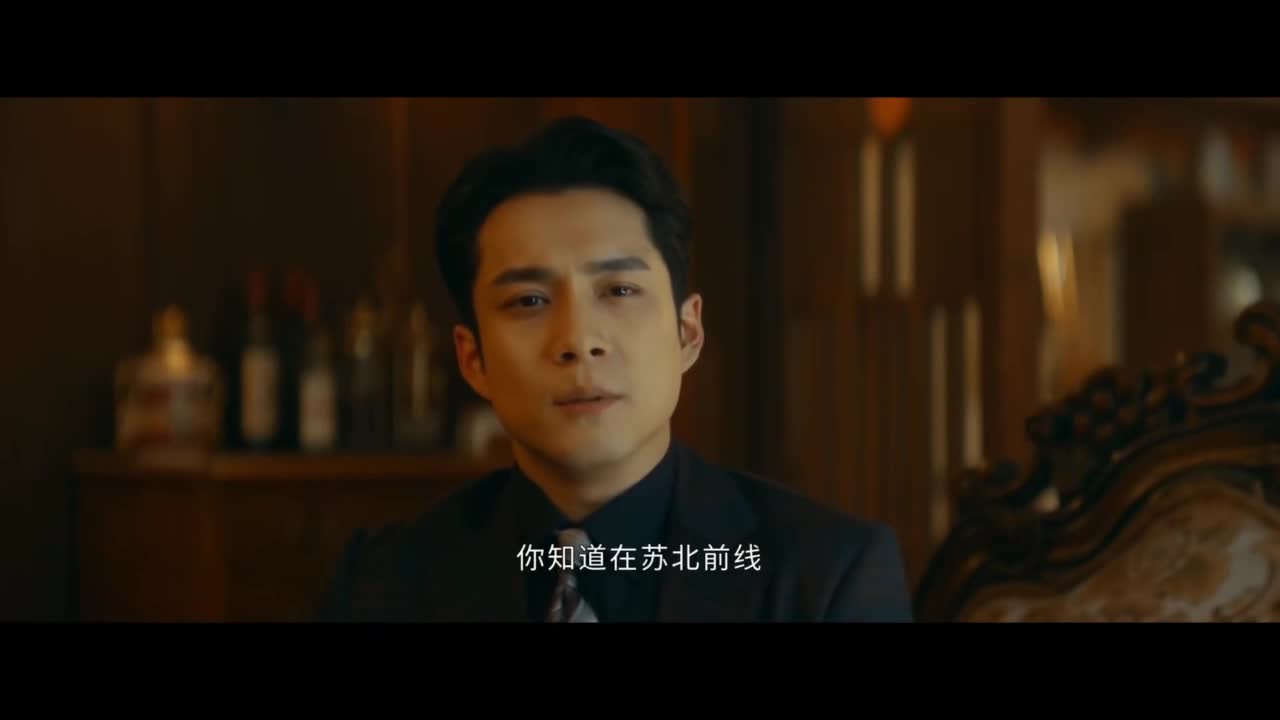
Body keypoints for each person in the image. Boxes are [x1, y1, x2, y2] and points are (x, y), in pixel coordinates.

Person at [315, 116, 913, 622]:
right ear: (473, 360)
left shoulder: (825, 576)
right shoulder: (382, 583)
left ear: (687, 332)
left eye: (620, 290)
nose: (579, 341)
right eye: (529, 301)